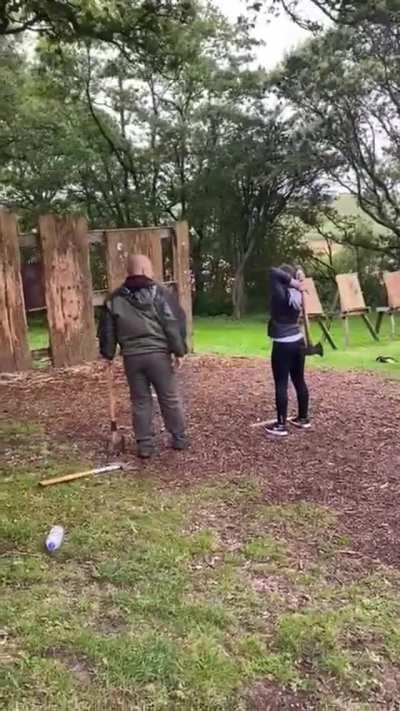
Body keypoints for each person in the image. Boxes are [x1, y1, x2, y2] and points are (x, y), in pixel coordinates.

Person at [98, 254, 188, 459]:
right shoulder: (161, 294)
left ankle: (145, 445)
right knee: (169, 398)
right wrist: (179, 351)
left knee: (140, 400)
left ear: (128, 272)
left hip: (132, 358)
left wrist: (108, 354)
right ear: (147, 271)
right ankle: (179, 438)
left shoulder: (114, 299)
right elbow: (172, 323)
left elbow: (107, 330)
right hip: (158, 356)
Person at [265, 265, 310, 437]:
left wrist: (294, 282)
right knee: (299, 380)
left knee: (281, 384)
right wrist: (297, 278)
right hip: (298, 341)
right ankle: (303, 418)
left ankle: (281, 425)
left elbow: (272, 272)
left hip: (283, 344)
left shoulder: (281, 295)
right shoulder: (296, 294)